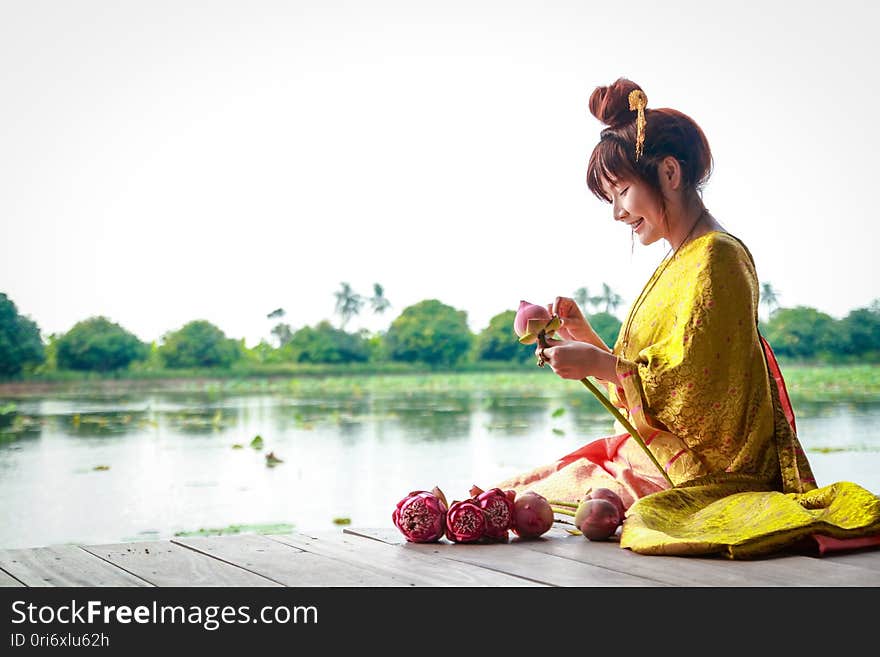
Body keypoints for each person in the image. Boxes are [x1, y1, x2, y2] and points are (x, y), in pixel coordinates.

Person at [494, 78, 880, 558]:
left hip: (711, 469)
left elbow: (695, 384)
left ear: (670, 173)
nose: (616, 213)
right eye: (609, 199)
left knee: (554, 500)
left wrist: (597, 364)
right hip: (662, 455)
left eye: (622, 192)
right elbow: (653, 367)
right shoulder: (683, 256)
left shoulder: (716, 255)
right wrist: (586, 338)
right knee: (524, 493)